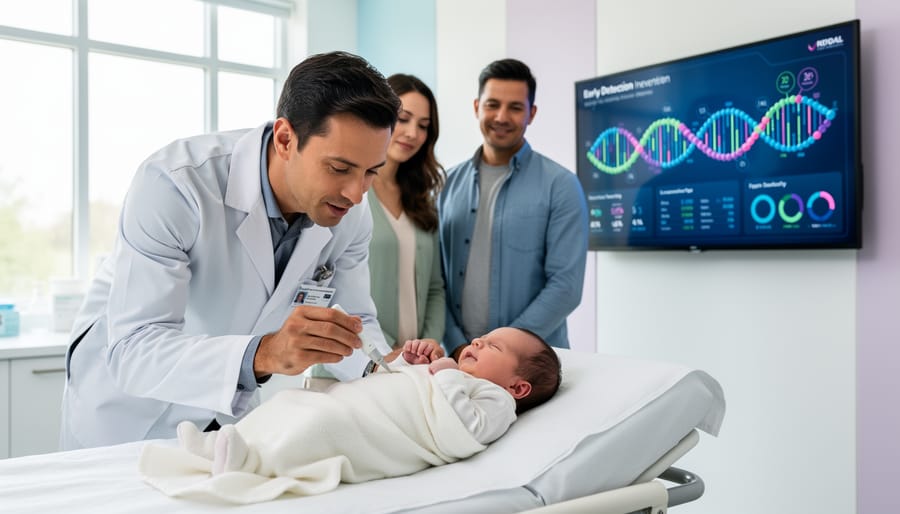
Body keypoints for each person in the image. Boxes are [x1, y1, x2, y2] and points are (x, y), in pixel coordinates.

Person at [60, 51, 401, 450]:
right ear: (286, 139)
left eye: (371, 172)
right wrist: (264, 354)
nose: (356, 193)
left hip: (224, 417)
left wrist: (392, 373)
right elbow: (135, 348)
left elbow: (355, 322)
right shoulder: (176, 185)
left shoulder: (349, 214)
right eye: (339, 169)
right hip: (123, 413)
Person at [138, 328, 561, 504]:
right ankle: (220, 445)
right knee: (289, 404)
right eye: (481, 338)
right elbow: (396, 384)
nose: (477, 343)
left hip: (374, 432)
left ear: (518, 387)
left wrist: (446, 374)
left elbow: (461, 431)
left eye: (493, 347)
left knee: (319, 429)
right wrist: (410, 363)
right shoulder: (452, 374)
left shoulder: (496, 401)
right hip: (357, 401)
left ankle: (246, 462)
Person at [438, 58, 589, 360]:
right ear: (477, 107)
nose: (501, 117)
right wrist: (456, 345)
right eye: (492, 105)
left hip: (531, 364)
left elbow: (565, 287)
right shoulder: (445, 185)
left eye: (515, 107)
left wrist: (500, 350)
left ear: (531, 113)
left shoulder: (561, 185)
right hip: (460, 360)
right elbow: (435, 280)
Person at [306, 74, 445, 390]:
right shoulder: (346, 199)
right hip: (352, 364)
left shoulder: (422, 200)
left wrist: (427, 345)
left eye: (423, 125)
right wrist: (383, 351)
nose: (412, 133)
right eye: (403, 119)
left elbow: (436, 286)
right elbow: (332, 290)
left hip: (412, 366)